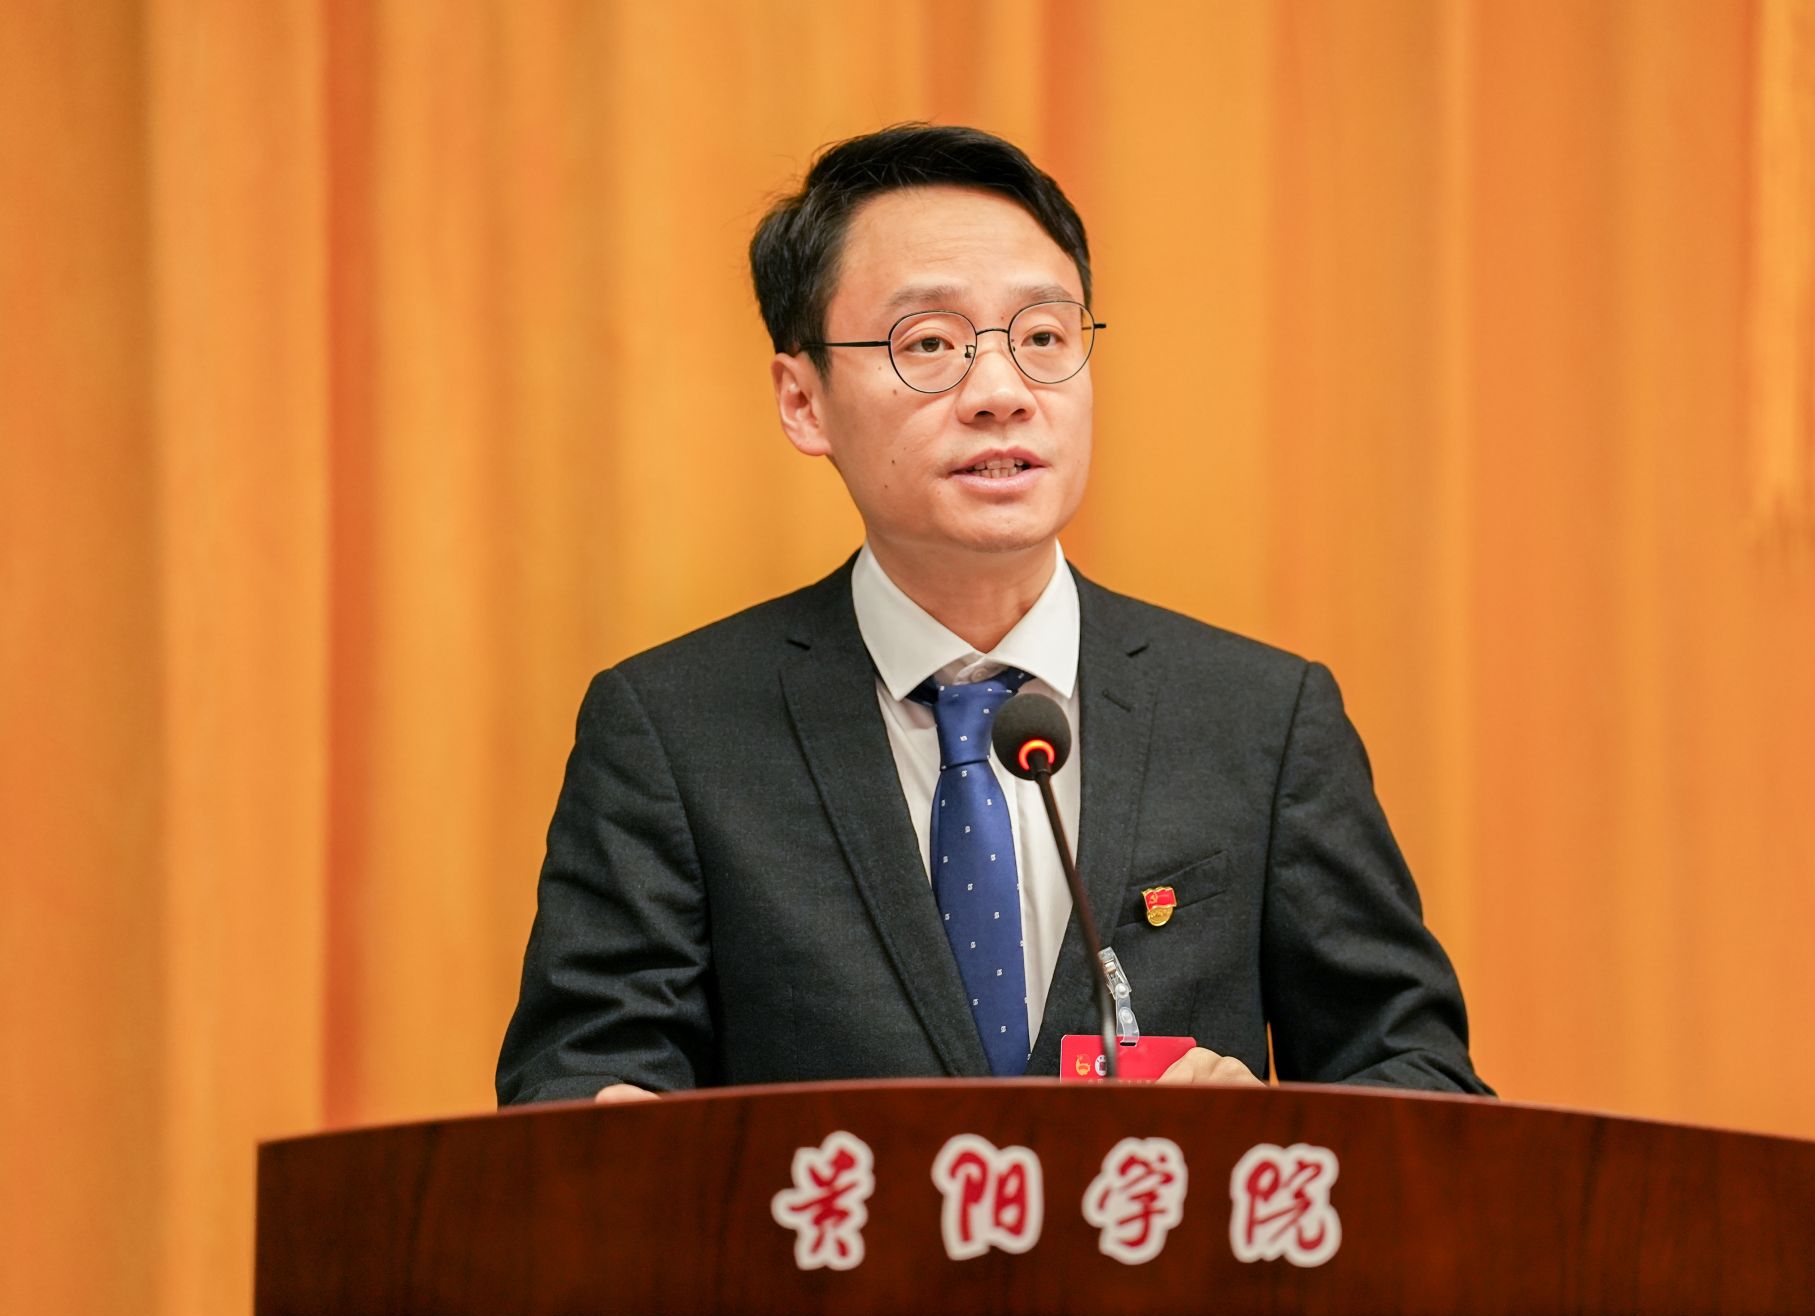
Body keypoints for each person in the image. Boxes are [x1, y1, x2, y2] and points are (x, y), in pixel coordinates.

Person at [496, 124, 1488, 1104]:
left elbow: (1419, 1082)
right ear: (803, 400)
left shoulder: (1259, 720)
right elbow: (577, 1082)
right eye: (928, 343)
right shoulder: (674, 731)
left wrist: (1262, 1133)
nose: (1001, 393)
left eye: (1043, 337)